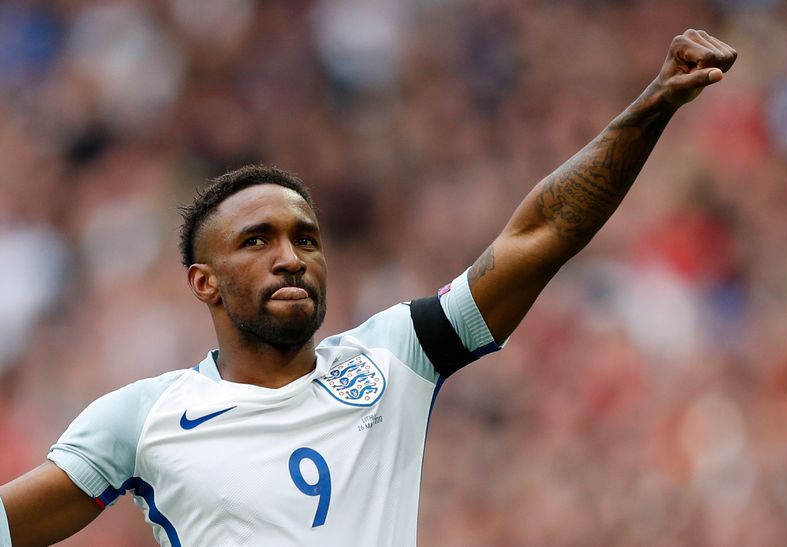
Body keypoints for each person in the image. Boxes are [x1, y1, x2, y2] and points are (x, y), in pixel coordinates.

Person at [0, 29, 736, 547]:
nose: (290, 256)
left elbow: (537, 236)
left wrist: (649, 110)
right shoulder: (144, 416)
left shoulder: (393, 358)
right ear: (205, 282)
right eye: (256, 241)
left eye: (306, 237)